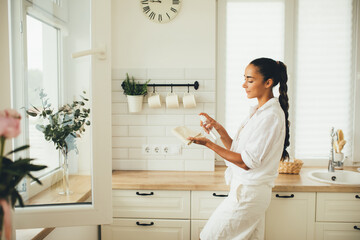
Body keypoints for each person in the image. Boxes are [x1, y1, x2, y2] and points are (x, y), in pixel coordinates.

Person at [188, 57, 290, 240]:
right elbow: (240, 151)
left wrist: (209, 144)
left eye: (250, 80)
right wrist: (219, 130)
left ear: (268, 82)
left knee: (210, 237)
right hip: (246, 191)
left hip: (248, 194)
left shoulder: (270, 116)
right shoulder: (258, 113)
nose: (244, 85)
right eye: (245, 79)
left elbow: (245, 162)